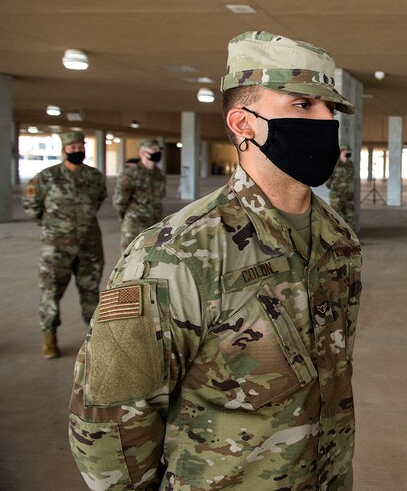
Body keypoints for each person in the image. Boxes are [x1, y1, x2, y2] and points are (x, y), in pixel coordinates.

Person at [68, 31, 363, 490]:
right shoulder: (175, 254)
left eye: (331, 109)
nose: (326, 121)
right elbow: (111, 424)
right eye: (303, 106)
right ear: (244, 124)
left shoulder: (338, 238)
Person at [22, 130, 106, 359]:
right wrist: (52, 225)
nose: (77, 150)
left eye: (81, 146)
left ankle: (95, 337)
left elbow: (99, 199)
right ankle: (49, 337)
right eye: (73, 147)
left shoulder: (95, 177)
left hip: (89, 244)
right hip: (56, 246)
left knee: (91, 292)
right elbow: (31, 204)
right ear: (63, 151)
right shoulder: (46, 177)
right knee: (51, 291)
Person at [113, 138, 166, 250]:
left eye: (158, 150)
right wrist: (127, 218)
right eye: (153, 150)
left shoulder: (160, 175)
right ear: (142, 153)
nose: (157, 152)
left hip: (155, 224)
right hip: (134, 225)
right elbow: (119, 202)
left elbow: (160, 197)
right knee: (130, 260)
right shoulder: (130, 174)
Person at [326, 143, 356, 228]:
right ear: (341, 152)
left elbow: (351, 178)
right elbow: (328, 181)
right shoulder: (334, 164)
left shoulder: (350, 164)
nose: (348, 152)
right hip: (337, 195)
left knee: (350, 217)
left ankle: (351, 240)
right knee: (335, 217)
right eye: (347, 151)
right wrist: (335, 189)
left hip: (349, 195)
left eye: (349, 151)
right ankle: (337, 239)